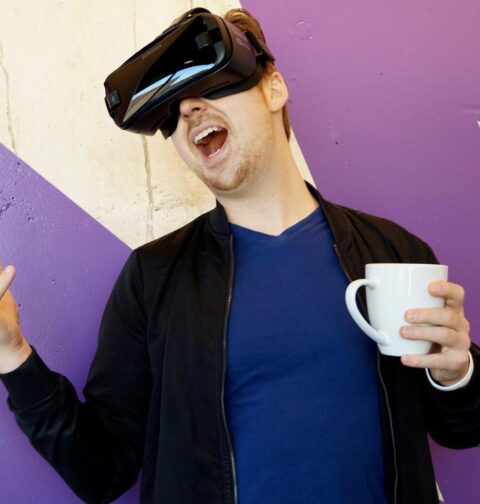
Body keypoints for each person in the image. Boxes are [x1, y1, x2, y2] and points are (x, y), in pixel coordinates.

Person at [0, 7, 478, 504]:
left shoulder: (394, 255)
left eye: (208, 84)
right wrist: (13, 355)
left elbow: (463, 427)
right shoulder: (153, 278)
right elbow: (101, 471)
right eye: (170, 113)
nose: (188, 109)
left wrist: (457, 373)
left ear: (273, 88)